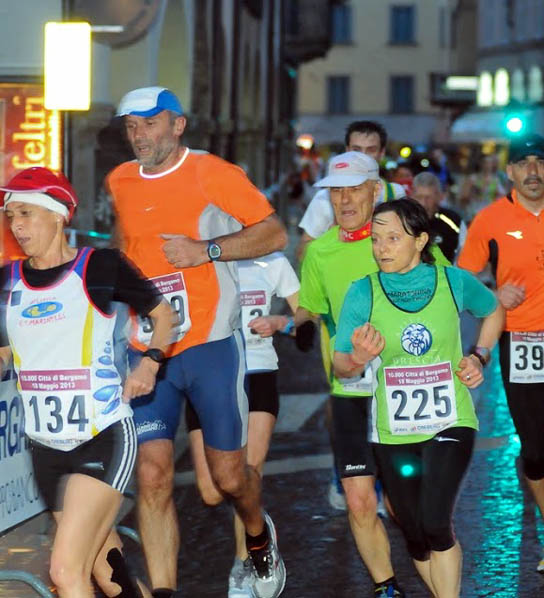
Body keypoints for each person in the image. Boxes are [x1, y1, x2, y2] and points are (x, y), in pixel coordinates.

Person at [106, 86, 288, 598]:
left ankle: (258, 535)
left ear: (178, 124)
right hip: (149, 350)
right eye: (131, 126)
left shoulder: (214, 173)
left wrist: (206, 250)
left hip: (210, 346)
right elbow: (124, 247)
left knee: (228, 479)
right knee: (152, 474)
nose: (139, 135)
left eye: (150, 123)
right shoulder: (120, 180)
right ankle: (165, 591)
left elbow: (274, 234)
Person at [0, 167, 174, 598]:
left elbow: (163, 314)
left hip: (102, 435)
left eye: (26, 213)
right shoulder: (7, 280)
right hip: (45, 447)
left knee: (65, 571)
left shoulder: (99, 266)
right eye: (10, 215)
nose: (16, 225)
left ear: (59, 215)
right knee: (105, 571)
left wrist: (150, 363)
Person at [333, 198, 504, 598]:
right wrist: (357, 358)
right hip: (393, 431)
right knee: (413, 530)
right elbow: (341, 365)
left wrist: (479, 355)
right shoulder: (363, 293)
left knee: (435, 522)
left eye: (393, 238)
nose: (382, 248)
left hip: (451, 420)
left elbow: (493, 310)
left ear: (421, 240)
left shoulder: (452, 281)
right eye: (376, 239)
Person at [297, 152, 449, 596]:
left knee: (407, 508)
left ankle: (439, 579)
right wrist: (292, 323)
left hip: (406, 392)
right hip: (351, 391)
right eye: (336, 191)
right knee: (360, 500)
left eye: (354, 190)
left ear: (375, 190)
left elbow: (447, 294)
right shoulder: (319, 253)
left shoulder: (404, 239)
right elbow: (311, 308)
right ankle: (386, 587)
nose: (344, 200)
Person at [458, 133, 544, 575]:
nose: (532, 171)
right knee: (534, 450)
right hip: (518, 342)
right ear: (510, 172)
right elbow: (462, 280)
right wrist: (492, 292)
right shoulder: (489, 220)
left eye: (540, 162)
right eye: (523, 163)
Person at [184, 251, 299, 597]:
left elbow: (306, 318)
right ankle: (259, 523)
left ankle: (245, 563)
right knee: (210, 491)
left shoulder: (273, 262)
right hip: (209, 377)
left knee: (247, 472)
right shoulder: (196, 256)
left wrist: (280, 322)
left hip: (257, 371)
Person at [296, 121, 406, 262]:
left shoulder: (395, 193)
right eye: (356, 150)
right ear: (347, 150)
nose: (363, 156)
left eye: (371, 150)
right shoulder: (324, 198)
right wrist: (330, 240)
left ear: (382, 153)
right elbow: (303, 252)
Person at [411, 171, 467, 263]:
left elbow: (464, 254)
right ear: (412, 196)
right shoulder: (403, 220)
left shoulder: (454, 221)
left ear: (439, 197)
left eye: (428, 197)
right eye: (419, 197)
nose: (423, 203)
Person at [458, 154, 507, 223]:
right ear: (480, 163)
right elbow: (463, 198)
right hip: (473, 214)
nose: (487, 165)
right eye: (485, 162)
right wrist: (473, 193)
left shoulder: (496, 181)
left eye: (490, 163)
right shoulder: (472, 179)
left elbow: (502, 199)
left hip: (489, 216)